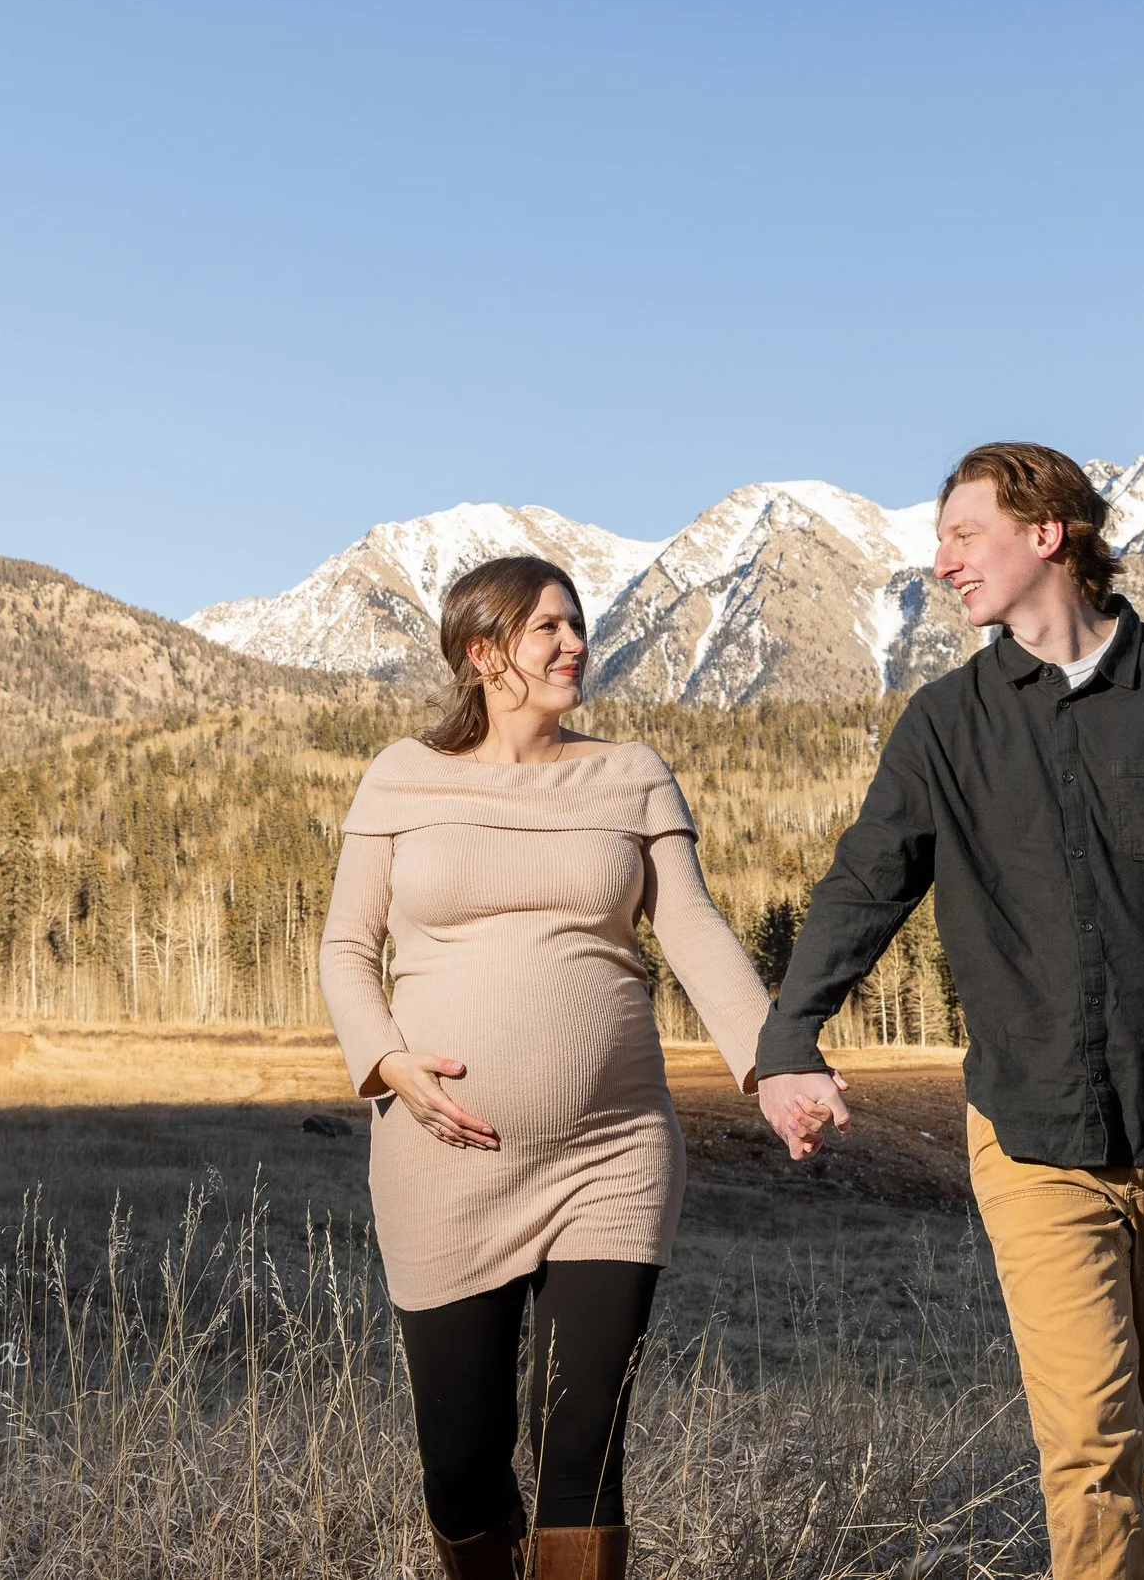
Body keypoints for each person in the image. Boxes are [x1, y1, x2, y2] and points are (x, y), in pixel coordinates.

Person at [753, 442, 1144, 1580]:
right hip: (1031, 1128)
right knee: (1088, 1441)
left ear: (1046, 532)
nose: (941, 561)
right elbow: (865, 883)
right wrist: (788, 1035)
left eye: (964, 535)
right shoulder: (944, 724)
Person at [319, 554, 776, 1580]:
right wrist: (386, 1059)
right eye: (549, 628)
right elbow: (345, 946)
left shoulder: (630, 774)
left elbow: (693, 929)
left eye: (577, 623)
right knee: (462, 1466)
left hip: (611, 1151)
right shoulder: (402, 775)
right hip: (442, 1159)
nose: (576, 643)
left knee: (584, 1453)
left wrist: (773, 1060)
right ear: (484, 653)